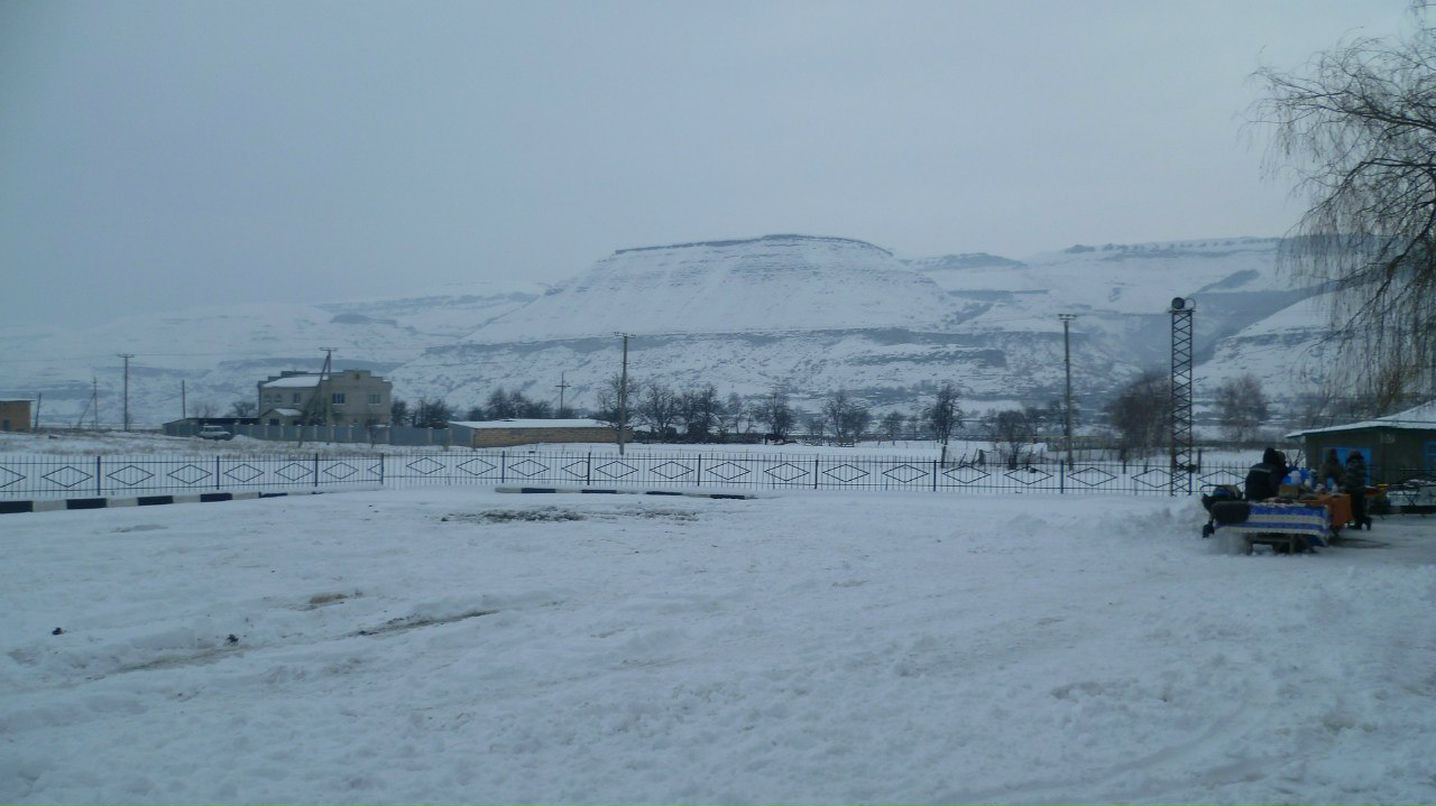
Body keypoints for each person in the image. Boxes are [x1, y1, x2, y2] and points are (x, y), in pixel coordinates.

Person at [1343, 451, 1371, 530]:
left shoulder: (1354, 463)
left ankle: (1363, 521)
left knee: (1355, 507)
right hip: (1358, 488)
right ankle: (1362, 521)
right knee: (1358, 507)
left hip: (1354, 488)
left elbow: (1351, 475)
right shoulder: (1361, 463)